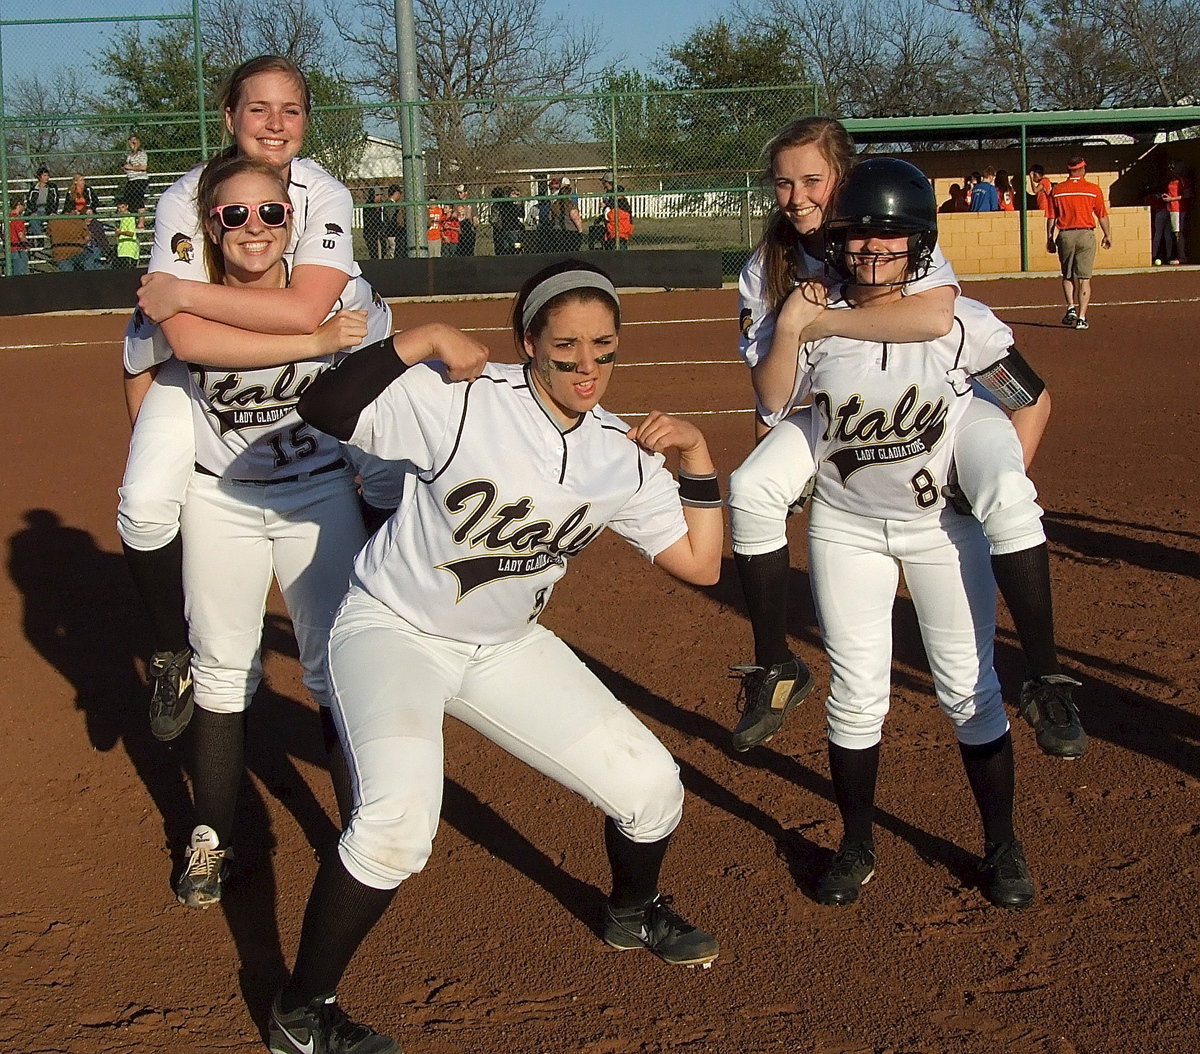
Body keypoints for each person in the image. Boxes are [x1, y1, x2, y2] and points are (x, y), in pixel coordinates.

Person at [267, 260, 724, 1053]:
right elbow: (323, 406)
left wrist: (698, 459)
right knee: (397, 827)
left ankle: (631, 910)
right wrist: (414, 343)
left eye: (604, 349)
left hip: (504, 648)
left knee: (652, 788)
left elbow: (701, 564)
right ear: (528, 344)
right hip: (393, 631)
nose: (587, 367)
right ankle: (301, 1010)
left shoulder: (620, 452)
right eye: (567, 347)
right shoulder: (466, 400)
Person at [730, 116, 1084, 764]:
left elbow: (936, 315)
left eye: (812, 179)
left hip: (936, 400)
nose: (797, 195)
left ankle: (1047, 677)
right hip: (836, 407)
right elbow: (772, 394)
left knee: (1005, 491)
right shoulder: (767, 267)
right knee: (751, 486)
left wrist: (819, 320)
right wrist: (791, 342)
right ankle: (775, 666)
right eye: (783, 184)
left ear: (844, 177)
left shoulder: (890, 222)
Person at [746, 158, 1045, 909]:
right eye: (858, 241)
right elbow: (775, 398)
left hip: (940, 531)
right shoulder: (814, 315)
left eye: (893, 243)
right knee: (855, 696)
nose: (873, 256)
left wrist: (985, 487)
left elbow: (1030, 399)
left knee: (970, 690)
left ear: (922, 245)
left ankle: (1001, 844)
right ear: (837, 242)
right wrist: (792, 322)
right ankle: (856, 843)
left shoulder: (960, 322)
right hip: (846, 528)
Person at [118, 55, 394, 746]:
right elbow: (182, 340)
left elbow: (307, 307)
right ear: (229, 118)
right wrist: (190, 309)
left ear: (307, 121)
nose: (274, 124)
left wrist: (187, 290)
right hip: (194, 374)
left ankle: (394, 625)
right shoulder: (185, 194)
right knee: (146, 503)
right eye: (257, 109)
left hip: (318, 351)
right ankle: (170, 652)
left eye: (290, 110)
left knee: (385, 476)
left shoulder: (325, 191)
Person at [165, 152, 393, 910]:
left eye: (269, 212)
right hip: (221, 501)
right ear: (210, 225)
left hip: (317, 494)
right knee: (224, 671)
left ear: (292, 219)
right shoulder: (182, 298)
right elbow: (161, 357)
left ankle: (362, 822)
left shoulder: (339, 294)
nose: (254, 227)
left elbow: (387, 378)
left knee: (334, 667)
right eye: (234, 214)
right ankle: (208, 838)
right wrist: (314, 342)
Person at [1045, 155, 1112, 331]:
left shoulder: (1057, 190)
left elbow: (1051, 217)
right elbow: (1102, 214)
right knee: (1085, 278)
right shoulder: (1093, 189)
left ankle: (1070, 307)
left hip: (1066, 235)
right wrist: (1107, 234)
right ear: (1082, 170)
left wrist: (1049, 238)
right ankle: (1082, 317)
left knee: (1067, 275)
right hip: (1086, 235)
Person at [1163, 158, 1192, 264]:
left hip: (1179, 209)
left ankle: (1182, 257)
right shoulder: (1172, 180)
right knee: (1174, 233)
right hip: (1171, 208)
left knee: (1178, 233)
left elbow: (1187, 195)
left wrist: (1172, 199)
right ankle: (1178, 255)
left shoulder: (1183, 181)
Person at [25, 166, 59, 240]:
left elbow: (55, 200)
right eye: (44, 175)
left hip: (48, 211)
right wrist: (33, 212)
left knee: (54, 220)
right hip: (37, 212)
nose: (47, 177)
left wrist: (53, 211)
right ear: (39, 177)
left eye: (47, 175)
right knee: (33, 221)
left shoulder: (52, 187)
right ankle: (40, 238)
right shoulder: (34, 189)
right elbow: (30, 202)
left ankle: (53, 240)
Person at [122, 133, 150, 219]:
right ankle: (132, 219)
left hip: (139, 179)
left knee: (138, 199)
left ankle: (141, 221)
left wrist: (131, 167)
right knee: (128, 199)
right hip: (131, 179)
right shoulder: (130, 155)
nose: (132, 144)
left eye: (134, 141)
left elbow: (143, 167)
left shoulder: (141, 153)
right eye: (130, 142)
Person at [490, 185, 524, 255]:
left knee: (513, 248)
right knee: (509, 249)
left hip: (510, 230)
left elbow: (521, 215)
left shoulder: (512, 205)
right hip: (507, 231)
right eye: (513, 194)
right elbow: (494, 220)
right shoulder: (501, 205)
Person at [452, 183, 477, 256]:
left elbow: (474, 218)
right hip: (459, 231)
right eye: (458, 192)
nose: (459, 194)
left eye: (461, 192)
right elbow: (454, 215)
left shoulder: (471, 203)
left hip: (469, 231)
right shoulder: (456, 203)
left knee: (470, 251)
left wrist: (474, 226)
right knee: (460, 253)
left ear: (466, 192)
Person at [114, 199, 140, 269]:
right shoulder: (120, 219)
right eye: (119, 208)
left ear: (127, 207)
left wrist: (120, 232)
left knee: (129, 269)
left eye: (122, 207)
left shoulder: (130, 217)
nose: (120, 210)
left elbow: (131, 233)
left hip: (129, 250)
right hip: (122, 249)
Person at [6, 198, 29, 276]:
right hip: (18, 249)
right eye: (23, 205)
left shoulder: (6, 218)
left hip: (9, 248)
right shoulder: (17, 218)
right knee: (20, 273)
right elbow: (21, 235)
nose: (24, 208)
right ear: (18, 205)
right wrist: (27, 245)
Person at [383, 184, 406, 258]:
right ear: (396, 193)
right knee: (392, 252)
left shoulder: (390, 203)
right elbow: (392, 218)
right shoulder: (390, 204)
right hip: (392, 232)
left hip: (392, 232)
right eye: (399, 193)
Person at [361, 187, 384, 260]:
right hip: (371, 233)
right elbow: (370, 220)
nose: (380, 197)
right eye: (379, 195)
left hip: (377, 232)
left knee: (382, 251)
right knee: (374, 253)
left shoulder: (378, 206)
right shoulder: (369, 206)